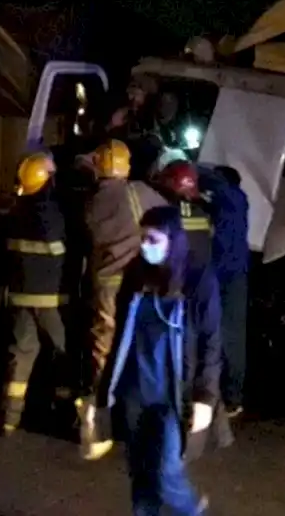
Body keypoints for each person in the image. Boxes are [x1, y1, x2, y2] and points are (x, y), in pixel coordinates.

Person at [106, 206, 218, 516]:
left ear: (173, 239)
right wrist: (102, 391)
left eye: (153, 239)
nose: (145, 245)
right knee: (141, 475)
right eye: (142, 238)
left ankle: (194, 510)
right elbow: (120, 338)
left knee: (167, 472)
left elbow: (211, 342)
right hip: (135, 392)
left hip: (172, 396)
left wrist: (205, 397)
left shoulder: (197, 280)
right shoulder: (136, 275)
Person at [79, 139, 168, 460]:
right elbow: (169, 219)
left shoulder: (93, 202)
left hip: (106, 284)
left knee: (104, 348)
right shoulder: (140, 191)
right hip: (140, 283)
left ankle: (102, 419)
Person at [152, 153, 232, 459]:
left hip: (182, 294)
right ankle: (220, 432)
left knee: (184, 363)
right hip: (208, 290)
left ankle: (188, 445)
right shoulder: (204, 211)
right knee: (211, 358)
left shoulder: (166, 214)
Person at [0, 152, 74, 434]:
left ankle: (9, 419)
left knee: (21, 355)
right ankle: (65, 416)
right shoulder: (56, 213)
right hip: (52, 301)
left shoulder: (16, 211)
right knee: (63, 354)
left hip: (20, 298)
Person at [199, 164, 250, 416]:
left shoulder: (234, 197)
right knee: (222, 335)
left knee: (229, 336)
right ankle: (225, 394)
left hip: (227, 277)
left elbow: (215, 182)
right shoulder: (227, 205)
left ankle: (231, 396)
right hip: (228, 275)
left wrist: (188, 162)